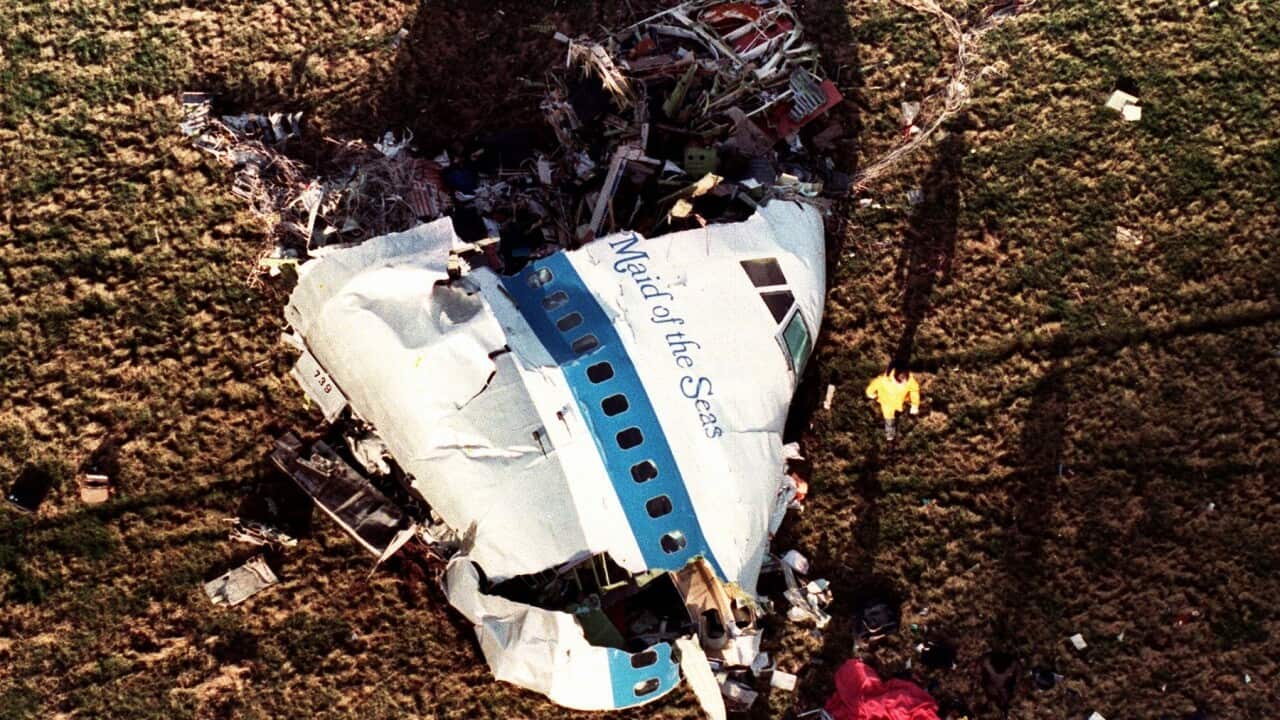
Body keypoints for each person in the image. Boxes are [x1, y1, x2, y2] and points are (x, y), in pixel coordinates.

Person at [865, 363, 920, 440]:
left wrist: (915, 405)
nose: (904, 381)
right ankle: (890, 437)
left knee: (908, 403)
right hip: (887, 404)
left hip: (902, 400)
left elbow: (914, 390)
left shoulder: (909, 380)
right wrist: (872, 394)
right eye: (902, 379)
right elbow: (870, 390)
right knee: (889, 419)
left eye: (905, 378)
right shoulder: (882, 381)